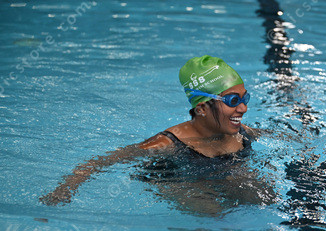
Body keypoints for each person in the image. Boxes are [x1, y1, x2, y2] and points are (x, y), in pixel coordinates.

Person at [41, 55, 260, 206]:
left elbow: (272, 135)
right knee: (215, 218)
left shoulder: (241, 132)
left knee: (261, 194)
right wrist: (65, 189)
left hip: (217, 174)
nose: (243, 108)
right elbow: (103, 161)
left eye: (245, 98)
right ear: (201, 108)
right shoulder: (166, 144)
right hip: (176, 181)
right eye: (233, 101)